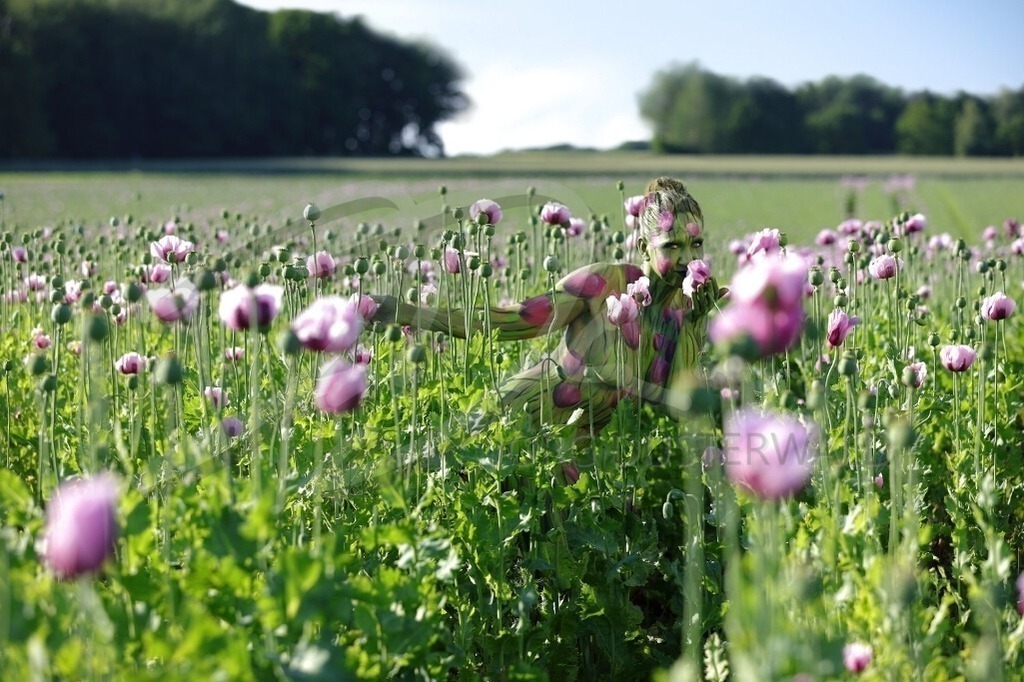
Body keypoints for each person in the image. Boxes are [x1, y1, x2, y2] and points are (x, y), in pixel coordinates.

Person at [371, 177, 722, 439]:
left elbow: (672, 413)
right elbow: (514, 321)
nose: (687, 258)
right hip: (513, 420)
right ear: (644, 247)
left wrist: (692, 326)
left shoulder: (687, 313)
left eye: (696, 244)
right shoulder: (603, 284)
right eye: (672, 245)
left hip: (577, 459)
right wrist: (408, 313)